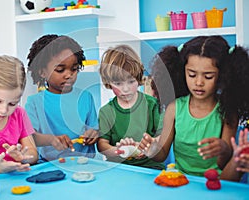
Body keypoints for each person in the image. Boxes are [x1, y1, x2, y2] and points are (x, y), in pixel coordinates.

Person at [138, 35, 249, 177]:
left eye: (208, 76)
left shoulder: (227, 111)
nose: (199, 82)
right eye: (191, 74)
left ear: (223, 75)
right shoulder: (174, 108)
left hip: (217, 180)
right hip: (181, 179)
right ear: (182, 71)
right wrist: (152, 149)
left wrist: (223, 150)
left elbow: (223, 163)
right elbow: (162, 154)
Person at [25, 34, 99, 162]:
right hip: (49, 164)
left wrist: (93, 134)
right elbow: (31, 138)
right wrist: (51, 139)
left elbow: (94, 128)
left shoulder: (86, 97)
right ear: (42, 72)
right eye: (60, 70)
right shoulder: (34, 103)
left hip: (85, 163)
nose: (69, 75)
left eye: (74, 69)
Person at [97, 44, 164, 169]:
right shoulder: (106, 112)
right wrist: (118, 150)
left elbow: (163, 136)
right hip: (118, 169)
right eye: (118, 83)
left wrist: (147, 146)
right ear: (108, 82)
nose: (126, 89)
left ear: (138, 79)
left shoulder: (152, 105)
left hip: (150, 168)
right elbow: (102, 144)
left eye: (131, 81)